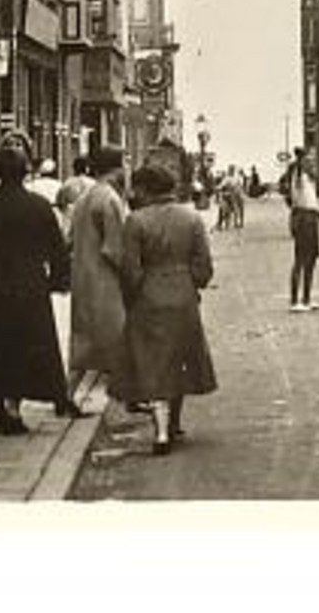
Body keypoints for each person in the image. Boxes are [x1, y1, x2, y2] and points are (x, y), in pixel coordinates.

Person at [0, 146, 78, 434]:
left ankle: (0, 399)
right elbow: (56, 248)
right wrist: (58, 280)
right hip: (28, 285)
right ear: (26, 172)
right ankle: (13, 404)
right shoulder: (38, 206)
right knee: (24, 346)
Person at [111, 165, 217, 455]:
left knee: (153, 362)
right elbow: (204, 267)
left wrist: (131, 296)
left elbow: (130, 269)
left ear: (146, 189)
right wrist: (192, 283)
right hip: (183, 296)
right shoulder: (192, 218)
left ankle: (160, 433)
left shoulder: (135, 221)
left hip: (149, 297)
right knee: (178, 359)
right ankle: (174, 424)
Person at [68, 146, 131, 379]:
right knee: (115, 338)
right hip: (105, 281)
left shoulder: (85, 197)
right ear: (115, 169)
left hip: (82, 276)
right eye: (124, 164)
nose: (127, 170)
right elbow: (115, 249)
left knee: (84, 344)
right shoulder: (110, 199)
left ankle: (67, 395)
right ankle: (127, 397)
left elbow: (70, 238)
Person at [285, 147, 319, 312]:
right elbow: (302, 202)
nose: (312, 164)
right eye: (309, 161)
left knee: (311, 259)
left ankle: (306, 298)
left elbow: (311, 199)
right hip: (304, 218)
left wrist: (317, 211)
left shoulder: (308, 178)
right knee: (301, 258)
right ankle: (295, 301)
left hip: (311, 218)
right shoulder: (299, 176)